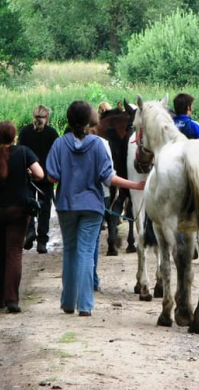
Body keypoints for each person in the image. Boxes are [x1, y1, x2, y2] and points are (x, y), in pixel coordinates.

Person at [46, 101, 145, 317]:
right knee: (85, 253)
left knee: (70, 251)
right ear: (89, 119)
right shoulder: (98, 144)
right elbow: (108, 177)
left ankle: (68, 302)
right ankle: (85, 304)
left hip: (66, 205)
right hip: (92, 206)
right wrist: (136, 185)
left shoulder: (59, 144)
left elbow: (52, 176)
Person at [0, 120, 44, 313]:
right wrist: (27, 175)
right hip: (19, 211)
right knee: (14, 252)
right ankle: (12, 298)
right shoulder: (24, 153)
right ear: (15, 136)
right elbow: (40, 174)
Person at [18, 105, 60, 254]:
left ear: (33, 116)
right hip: (46, 177)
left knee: (28, 205)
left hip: (28, 176)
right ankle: (42, 241)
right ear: (47, 117)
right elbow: (57, 155)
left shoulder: (24, 132)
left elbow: (20, 153)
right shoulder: (52, 134)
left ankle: (29, 231)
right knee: (45, 208)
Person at [88, 109, 112, 293]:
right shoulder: (103, 144)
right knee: (94, 241)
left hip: (72, 199)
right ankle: (92, 278)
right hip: (98, 196)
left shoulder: (63, 143)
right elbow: (108, 173)